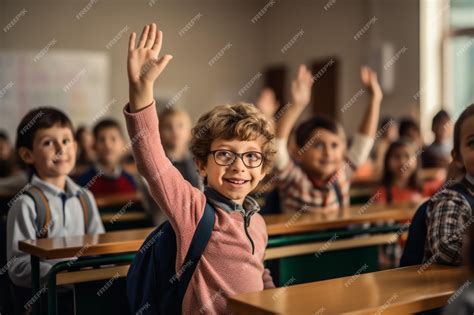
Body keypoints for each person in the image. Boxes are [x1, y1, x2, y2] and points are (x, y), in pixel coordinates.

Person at [123, 23, 276, 313]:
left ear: (264, 168)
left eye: (251, 157)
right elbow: (152, 161)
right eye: (224, 155)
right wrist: (141, 91)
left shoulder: (256, 221)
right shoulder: (192, 211)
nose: (238, 166)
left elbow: (259, 271)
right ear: (201, 164)